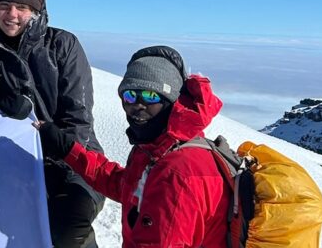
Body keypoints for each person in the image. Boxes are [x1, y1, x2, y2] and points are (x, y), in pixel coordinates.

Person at [37, 46, 231, 248]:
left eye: (150, 96)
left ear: (172, 101)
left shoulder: (178, 172)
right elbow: (125, 186)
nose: (138, 105)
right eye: (130, 95)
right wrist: (67, 148)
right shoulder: (156, 149)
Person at [0, 0, 104, 248]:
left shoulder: (62, 45)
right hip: (11, 163)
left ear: (36, 11)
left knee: (67, 229)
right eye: (4, 5)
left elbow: (78, 119)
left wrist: (56, 161)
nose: (11, 14)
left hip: (75, 161)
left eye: (22, 7)